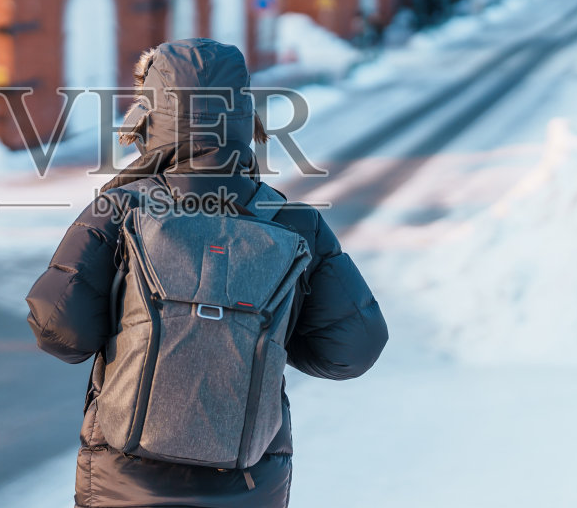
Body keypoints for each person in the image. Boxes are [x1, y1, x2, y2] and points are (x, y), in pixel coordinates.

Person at [26, 38, 389, 508]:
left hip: (124, 486)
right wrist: (264, 329)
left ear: (150, 118)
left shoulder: (118, 209)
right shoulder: (291, 222)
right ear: (244, 118)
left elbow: (59, 331)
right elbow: (356, 348)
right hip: (250, 487)